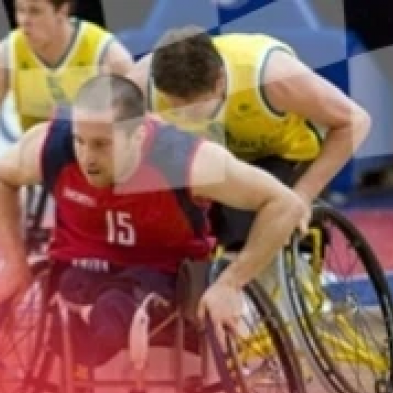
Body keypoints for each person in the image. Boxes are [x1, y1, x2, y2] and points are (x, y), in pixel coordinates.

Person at [0, 74, 306, 366]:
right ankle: (90, 324)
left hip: (164, 278)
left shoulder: (185, 160)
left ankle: (104, 325)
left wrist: (231, 283)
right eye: (80, 141)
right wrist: (15, 263)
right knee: (76, 309)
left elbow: (284, 203)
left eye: (101, 145)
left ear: (138, 136)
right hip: (81, 270)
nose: (86, 157)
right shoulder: (50, 146)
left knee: (113, 309)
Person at [128, 26, 372, 251]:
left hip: (284, 155)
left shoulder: (273, 76)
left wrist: (303, 196)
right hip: (209, 158)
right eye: (176, 108)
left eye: (195, 106)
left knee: (248, 233)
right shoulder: (140, 83)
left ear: (220, 81)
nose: (187, 115)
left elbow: (355, 121)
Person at [0, 0, 134, 241]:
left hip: (92, 152)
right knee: (1, 176)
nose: (24, 21)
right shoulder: (6, 54)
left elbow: (138, 124)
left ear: (62, 11)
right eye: (20, 10)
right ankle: (14, 264)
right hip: (39, 150)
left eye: (35, 11)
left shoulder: (106, 53)